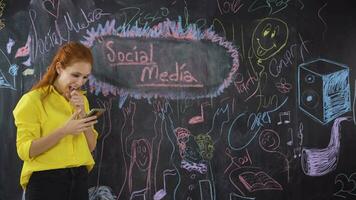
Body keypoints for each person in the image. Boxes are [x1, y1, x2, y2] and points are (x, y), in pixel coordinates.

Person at [13, 42, 99, 200]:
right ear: (59, 68)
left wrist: (82, 114)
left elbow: (91, 145)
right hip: (46, 182)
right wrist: (64, 131)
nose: (80, 82)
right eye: (75, 75)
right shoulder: (33, 100)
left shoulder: (82, 100)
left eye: (85, 77)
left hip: (79, 179)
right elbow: (25, 151)